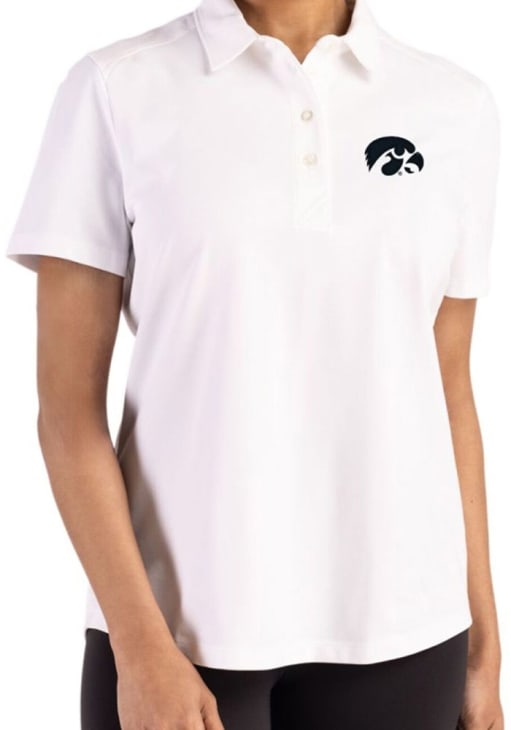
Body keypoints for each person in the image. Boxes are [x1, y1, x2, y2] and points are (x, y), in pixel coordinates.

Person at [5, 0, 505, 728]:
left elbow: (450, 389)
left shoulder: (455, 105)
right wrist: (139, 649)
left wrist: (484, 644)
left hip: (408, 631)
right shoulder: (116, 89)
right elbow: (66, 412)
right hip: (178, 636)